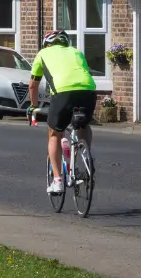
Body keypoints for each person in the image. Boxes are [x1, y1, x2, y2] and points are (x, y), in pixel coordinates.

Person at [27, 30, 97, 194]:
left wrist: (33, 106)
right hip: (88, 91)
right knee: (83, 124)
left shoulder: (43, 54)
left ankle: (58, 180)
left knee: (54, 134)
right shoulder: (77, 52)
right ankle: (87, 156)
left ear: (47, 44)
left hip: (62, 93)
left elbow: (32, 85)